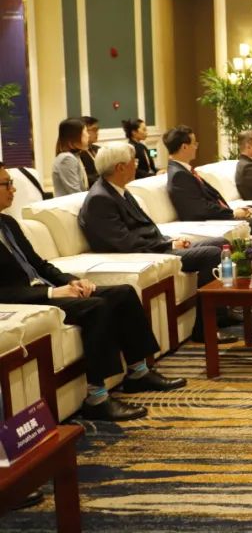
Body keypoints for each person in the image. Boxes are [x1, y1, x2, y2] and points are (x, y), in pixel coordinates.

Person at [0, 161, 187, 422]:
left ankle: (139, 372)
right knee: (95, 307)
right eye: (6, 184)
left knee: (123, 293)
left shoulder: (7, 223)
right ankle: (97, 398)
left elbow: (40, 265)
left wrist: (73, 281)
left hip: (47, 290)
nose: (13, 189)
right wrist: (51, 294)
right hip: (28, 301)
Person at [77, 143, 238, 344]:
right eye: (134, 161)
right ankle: (204, 329)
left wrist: (170, 241)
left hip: (154, 246)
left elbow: (146, 227)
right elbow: (125, 242)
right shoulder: (100, 198)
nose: (136, 165)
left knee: (221, 244)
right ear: (120, 167)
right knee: (211, 254)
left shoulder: (119, 190)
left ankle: (220, 314)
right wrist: (166, 246)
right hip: (141, 254)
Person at [163, 125, 252, 260]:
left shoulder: (183, 171)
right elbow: (199, 209)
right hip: (211, 221)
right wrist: (232, 213)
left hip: (218, 215)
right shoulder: (179, 175)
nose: (196, 147)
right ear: (184, 147)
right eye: (194, 143)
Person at [52, 117, 90, 196]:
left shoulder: (75, 156)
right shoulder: (67, 159)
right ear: (74, 136)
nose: (88, 135)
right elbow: (75, 192)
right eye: (85, 132)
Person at [80, 115, 101, 187]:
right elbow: (83, 178)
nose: (97, 133)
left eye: (97, 129)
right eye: (94, 130)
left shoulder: (98, 149)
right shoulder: (78, 153)